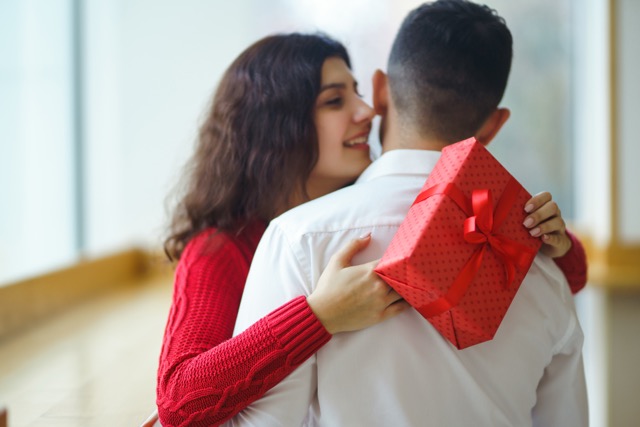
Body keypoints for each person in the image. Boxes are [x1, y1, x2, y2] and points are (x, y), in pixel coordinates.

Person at [156, 30, 587, 427]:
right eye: (334, 101)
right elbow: (178, 403)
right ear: (275, 126)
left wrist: (553, 240)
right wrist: (319, 316)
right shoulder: (223, 250)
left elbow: (566, 281)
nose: (366, 111)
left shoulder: (386, 217)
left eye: (360, 93)